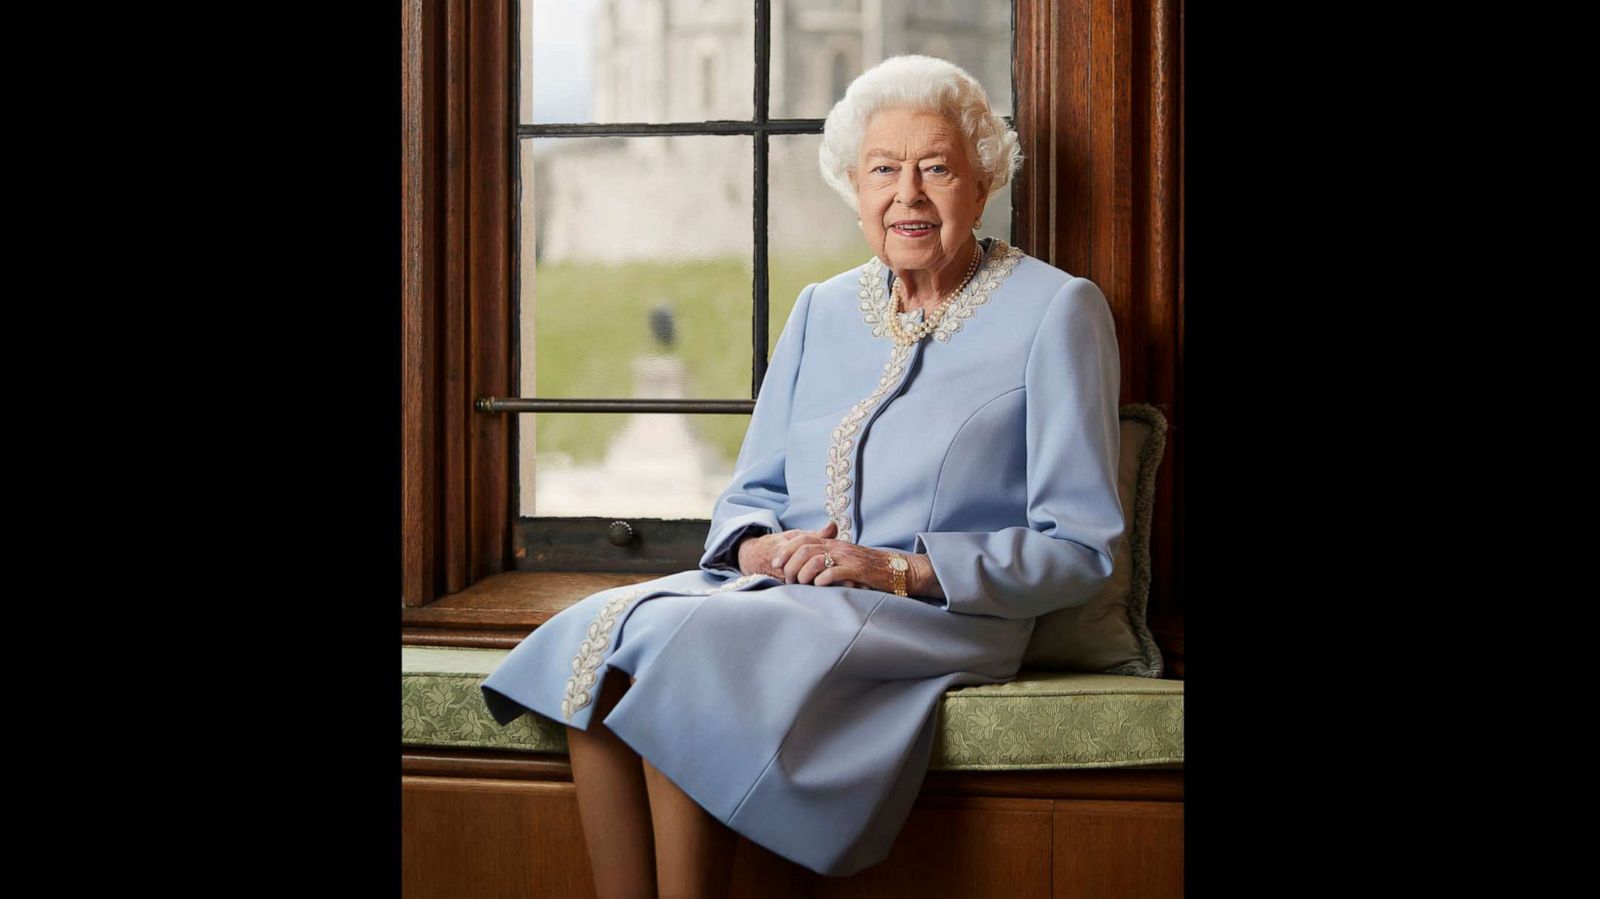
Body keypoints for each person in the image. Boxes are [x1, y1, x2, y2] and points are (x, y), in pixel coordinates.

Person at [479, 54, 1125, 896]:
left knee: (693, 651)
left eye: (936, 168)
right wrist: (758, 549)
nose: (909, 196)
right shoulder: (820, 309)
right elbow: (748, 494)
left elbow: (1080, 546)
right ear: (854, 188)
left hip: (936, 615)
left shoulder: (1056, 309)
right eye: (883, 171)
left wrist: (896, 567)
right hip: (790, 601)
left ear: (986, 178)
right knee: (603, 634)